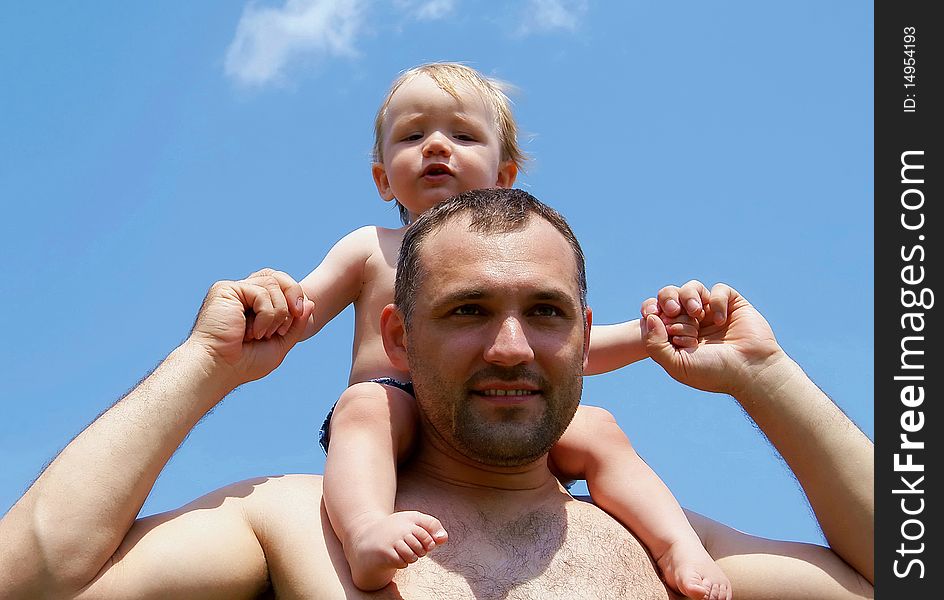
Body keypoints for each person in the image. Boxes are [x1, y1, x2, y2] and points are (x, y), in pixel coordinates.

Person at [0, 189, 874, 599]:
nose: (510, 346)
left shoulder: (666, 546)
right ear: (398, 340)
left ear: (582, 334)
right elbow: (28, 583)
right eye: (467, 311)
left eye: (545, 312)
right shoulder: (298, 525)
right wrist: (205, 365)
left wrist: (767, 378)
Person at [298, 62, 729, 598]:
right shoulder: (369, 247)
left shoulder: (522, 256)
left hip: (507, 409)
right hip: (396, 406)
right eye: (412, 135)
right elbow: (303, 308)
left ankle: (676, 545)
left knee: (599, 428)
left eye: (462, 134)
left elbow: (566, 355)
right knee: (362, 408)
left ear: (504, 175)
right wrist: (271, 301)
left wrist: (650, 338)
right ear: (383, 177)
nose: (436, 145)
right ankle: (363, 532)